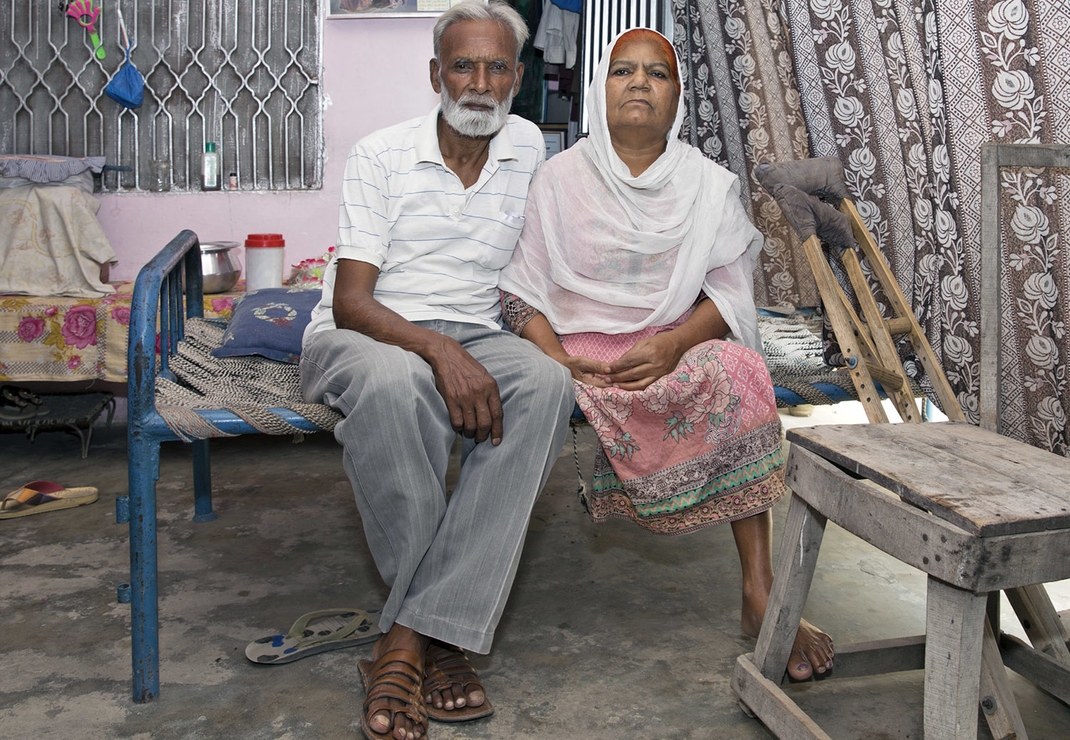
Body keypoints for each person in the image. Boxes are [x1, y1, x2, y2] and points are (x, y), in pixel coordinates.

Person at [498, 28, 835, 681]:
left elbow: (730, 295)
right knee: (541, 382)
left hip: (675, 338)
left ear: (678, 97)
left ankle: (758, 588)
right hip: (579, 347)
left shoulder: (707, 185)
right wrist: (555, 361)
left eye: (657, 74)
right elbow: (519, 293)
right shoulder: (558, 178)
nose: (639, 84)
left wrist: (677, 341)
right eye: (623, 71)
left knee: (739, 369)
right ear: (602, 89)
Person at [300, 3, 574, 739]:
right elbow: (353, 302)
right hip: (370, 328)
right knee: (395, 386)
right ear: (435, 74)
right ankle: (441, 639)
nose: (478, 83)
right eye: (462, 66)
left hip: (480, 329)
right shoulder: (380, 154)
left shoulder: (528, 149)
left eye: (495, 68)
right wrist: (439, 350)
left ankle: (410, 637)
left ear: (518, 77)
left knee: (549, 384)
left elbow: (535, 276)